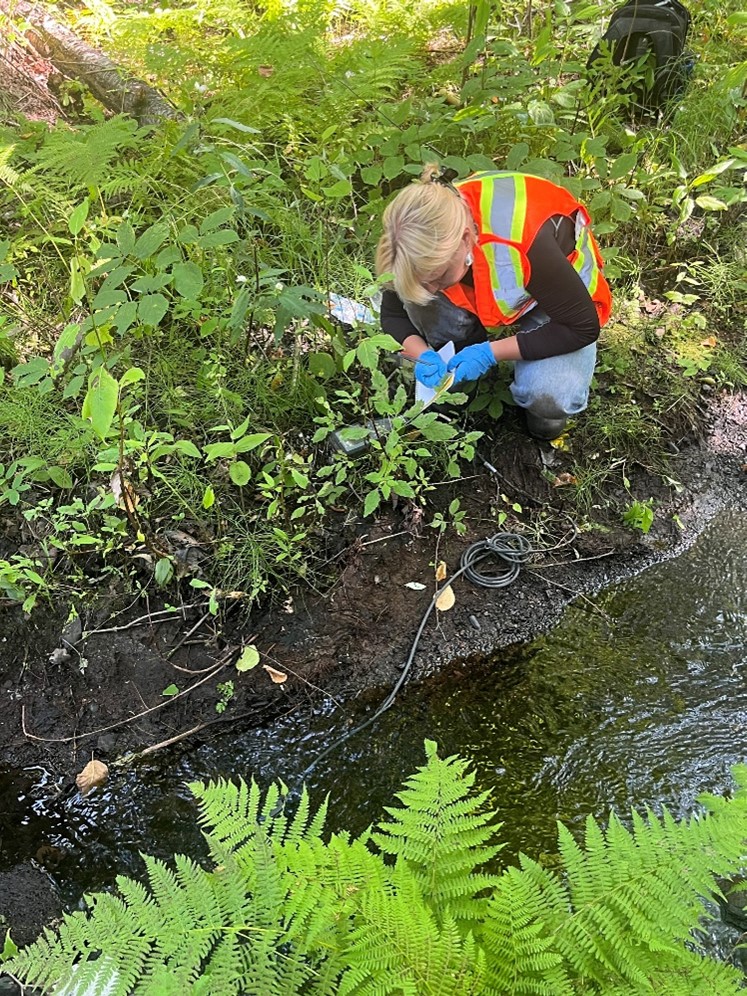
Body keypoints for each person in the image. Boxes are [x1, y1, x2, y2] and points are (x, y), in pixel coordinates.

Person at [375, 165, 612, 439]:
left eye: (438, 277)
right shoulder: (408, 247)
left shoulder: (524, 239)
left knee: (550, 394)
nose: (431, 290)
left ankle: (541, 418)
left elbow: (581, 327)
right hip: (504, 280)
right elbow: (393, 314)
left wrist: (490, 353)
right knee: (422, 296)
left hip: (556, 300)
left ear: (465, 239)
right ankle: (459, 379)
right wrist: (422, 355)